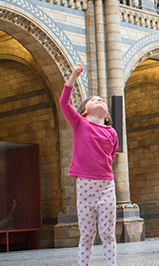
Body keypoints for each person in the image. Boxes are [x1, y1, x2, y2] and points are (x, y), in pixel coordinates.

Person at [61, 62, 118, 266]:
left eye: (102, 100)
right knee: (86, 235)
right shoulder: (79, 124)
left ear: (107, 115)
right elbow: (64, 103)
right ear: (84, 111)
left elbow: (111, 155)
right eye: (94, 100)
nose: (100, 100)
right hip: (85, 187)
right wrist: (73, 77)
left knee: (108, 233)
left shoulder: (112, 132)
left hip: (106, 187)